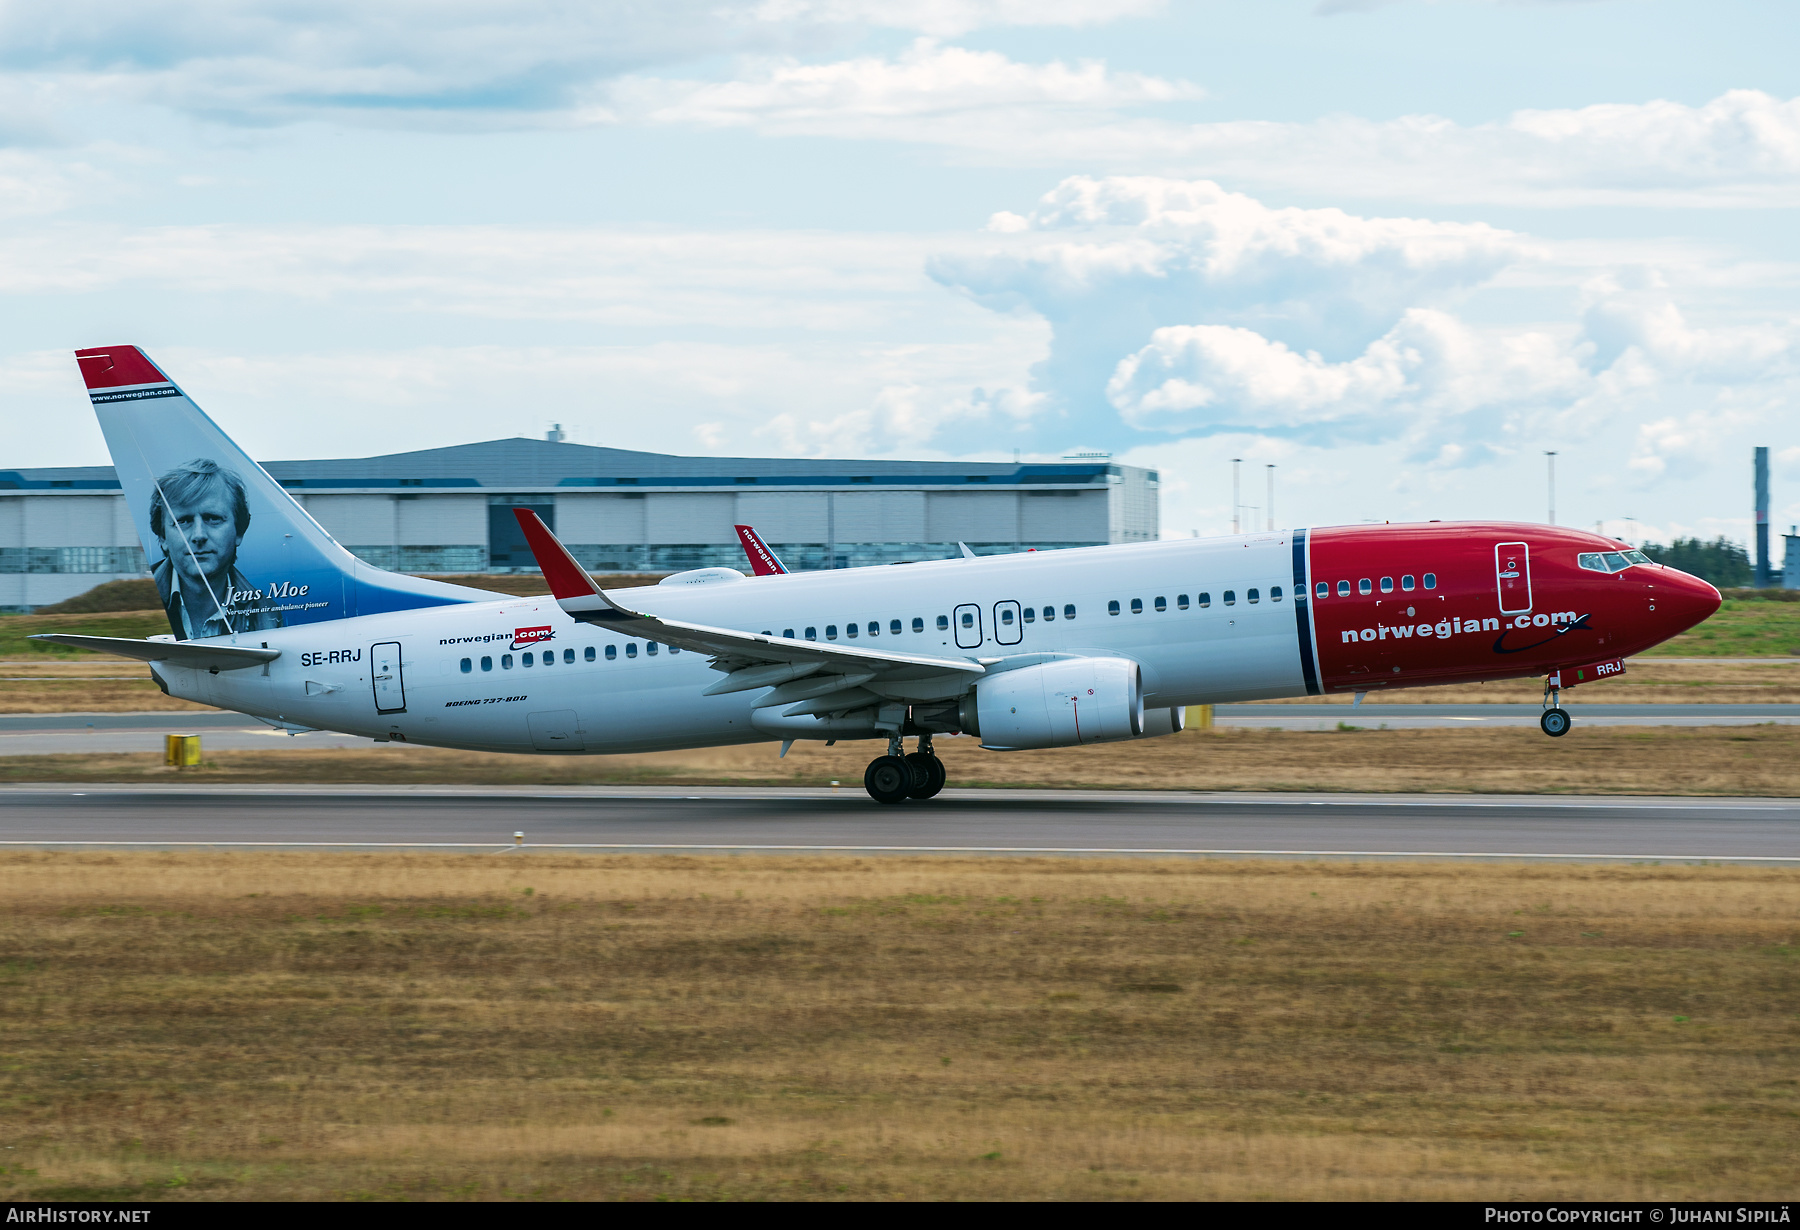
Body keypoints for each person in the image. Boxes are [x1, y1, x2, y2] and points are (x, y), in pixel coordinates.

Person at [148, 458, 283, 640]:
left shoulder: (267, 615)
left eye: (213, 518)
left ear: (239, 531)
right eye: (183, 522)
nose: (199, 535)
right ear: (162, 536)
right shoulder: (142, 604)